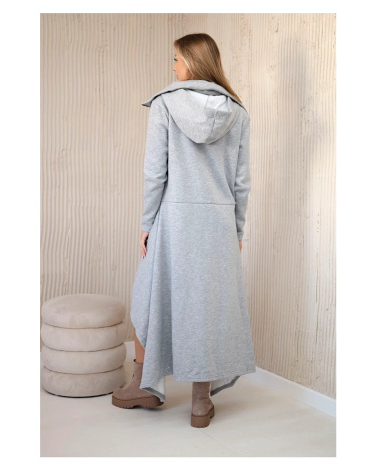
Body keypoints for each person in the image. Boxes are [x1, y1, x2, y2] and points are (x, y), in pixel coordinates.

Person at [111, 33, 256, 428]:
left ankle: (144, 385)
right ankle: (199, 403)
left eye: (176, 59)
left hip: (173, 221)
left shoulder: (165, 104)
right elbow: (241, 183)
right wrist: (237, 231)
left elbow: (155, 172)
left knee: (147, 296)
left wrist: (147, 223)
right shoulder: (238, 113)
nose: (173, 67)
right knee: (204, 307)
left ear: (192, 62)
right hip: (218, 225)